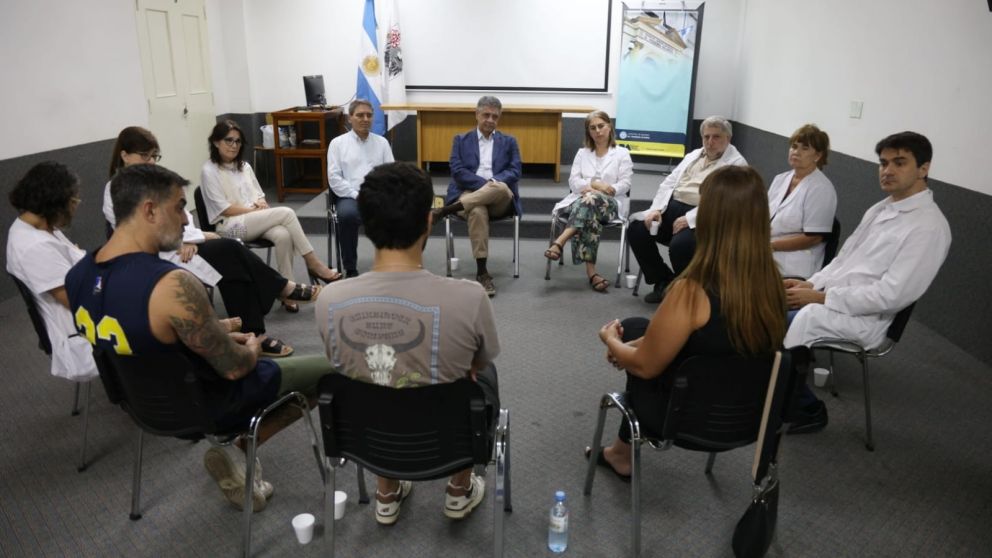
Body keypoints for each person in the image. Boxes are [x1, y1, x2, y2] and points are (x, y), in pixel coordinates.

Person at [66, 164, 335, 512]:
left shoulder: (77, 277)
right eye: (179, 208)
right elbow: (237, 369)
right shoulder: (172, 286)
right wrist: (251, 347)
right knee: (331, 369)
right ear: (149, 210)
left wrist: (214, 334)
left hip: (142, 404)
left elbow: (139, 331)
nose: (185, 220)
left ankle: (236, 453)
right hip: (207, 404)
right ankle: (238, 449)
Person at [316, 162, 501, 525]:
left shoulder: (328, 299)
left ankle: (386, 491)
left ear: (366, 226)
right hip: (448, 438)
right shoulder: (470, 297)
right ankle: (459, 490)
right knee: (481, 375)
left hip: (368, 438)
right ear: (428, 223)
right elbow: (478, 364)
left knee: (367, 375)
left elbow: (346, 366)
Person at [593, 165, 786, 478]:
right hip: (748, 414)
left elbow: (644, 366)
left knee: (631, 340)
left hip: (685, 417)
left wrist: (612, 341)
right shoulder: (773, 284)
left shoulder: (692, 290)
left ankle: (621, 456)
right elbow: (710, 335)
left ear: (710, 217)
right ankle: (620, 452)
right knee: (637, 327)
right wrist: (631, 343)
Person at [783, 131, 951, 433]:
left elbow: (891, 296)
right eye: (883, 163)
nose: (887, 170)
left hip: (868, 320)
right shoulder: (882, 208)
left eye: (899, 163)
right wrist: (811, 284)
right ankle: (775, 391)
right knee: (761, 305)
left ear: (924, 169)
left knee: (776, 320)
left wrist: (821, 298)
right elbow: (842, 261)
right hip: (835, 298)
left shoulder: (928, 228)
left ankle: (805, 409)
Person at [105, 127, 315, 358]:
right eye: (144, 156)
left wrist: (191, 238)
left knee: (231, 258)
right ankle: (276, 298)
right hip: (150, 257)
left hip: (184, 247)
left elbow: (184, 214)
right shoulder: (115, 190)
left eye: (154, 156)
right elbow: (135, 231)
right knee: (230, 254)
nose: (151, 162)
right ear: (124, 155)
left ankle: (253, 333)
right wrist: (179, 242)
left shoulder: (158, 180)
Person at [199, 119, 341, 285]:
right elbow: (224, 209)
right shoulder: (209, 171)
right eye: (228, 140)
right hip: (230, 227)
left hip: (253, 219)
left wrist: (261, 203)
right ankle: (313, 262)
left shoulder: (244, 166)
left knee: (283, 235)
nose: (234, 145)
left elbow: (259, 194)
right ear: (216, 142)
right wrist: (255, 211)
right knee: (287, 213)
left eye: (237, 141)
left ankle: (289, 287)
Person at [628, 116, 747, 303]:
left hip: (706, 216)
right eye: (706, 137)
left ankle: (687, 293)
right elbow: (669, 183)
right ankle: (663, 281)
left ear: (728, 139)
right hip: (672, 207)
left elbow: (724, 203)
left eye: (716, 137)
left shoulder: (737, 165)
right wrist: (656, 209)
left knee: (681, 246)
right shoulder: (693, 155)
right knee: (637, 228)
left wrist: (690, 219)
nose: (710, 142)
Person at [6, 162, 98, 381]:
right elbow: (79, 300)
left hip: (85, 300)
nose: (76, 206)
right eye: (73, 201)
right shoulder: (34, 247)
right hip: (81, 331)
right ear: (55, 203)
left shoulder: (40, 226)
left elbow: (77, 258)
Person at [433, 96, 522, 297]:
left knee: (500, 188)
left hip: (501, 199)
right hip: (469, 193)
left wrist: (493, 184)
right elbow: (457, 171)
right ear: (477, 114)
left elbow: (515, 171)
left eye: (495, 116)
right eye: (486, 115)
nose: (490, 120)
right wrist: (486, 186)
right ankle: (482, 272)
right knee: (478, 210)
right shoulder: (460, 140)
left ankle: (445, 210)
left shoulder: (509, 141)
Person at [546, 110, 633, 293]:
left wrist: (607, 189)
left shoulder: (622, 153)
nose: (598, 131)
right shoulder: (582, 153)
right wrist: (594, 184)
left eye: (601, 126)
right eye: (592, 128)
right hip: (582, 201)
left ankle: (560, 241)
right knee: (588, 208)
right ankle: (592, 274)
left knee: (589, 201)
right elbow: (573, 181)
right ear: (588, 132)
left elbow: (625, 183)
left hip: (611, 204)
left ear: (609, 127)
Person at [328, 98, 395, 277]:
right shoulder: (337, 144)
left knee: (396, 212)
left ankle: (391, 263)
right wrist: (355, 194)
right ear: (350, 118)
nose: (365, 119)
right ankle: (350, 267)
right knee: (348, 216)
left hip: (377, 195)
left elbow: (391, 173)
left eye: (369, 115)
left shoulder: (382, 143)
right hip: (349, 196)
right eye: (360, 115)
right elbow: (334, 178)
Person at [768, 124, 837, 278]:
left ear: (817, 156)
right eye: (794, 146)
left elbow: (813, 238)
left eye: (805, 148)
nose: (796, 152)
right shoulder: (780, 179)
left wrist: (769, 246)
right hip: (768, 252)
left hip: (794, 265)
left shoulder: (821, 188)